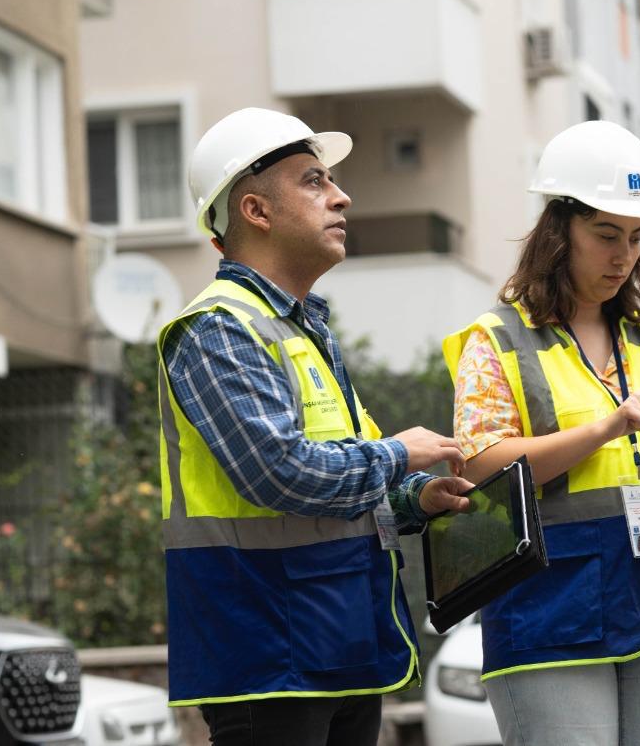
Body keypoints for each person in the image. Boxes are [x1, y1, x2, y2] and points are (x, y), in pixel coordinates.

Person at [156, 108, 472, 746]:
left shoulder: (302, 329)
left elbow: (342, 489)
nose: (342, 196)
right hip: (269, 659)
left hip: (334, 648)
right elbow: (282, 474)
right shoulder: (220, 327)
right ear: (256, 210)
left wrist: (415, 499)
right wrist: (398, 455)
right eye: (313, 181)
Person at [443, 120, 640, 746]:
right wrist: (607, 426)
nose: (624, 256)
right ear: (559, 231)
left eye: (637, 238)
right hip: (552, 613)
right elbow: (480, 466)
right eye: (606, 234)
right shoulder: (497, 340)